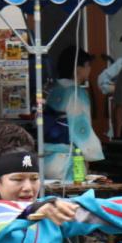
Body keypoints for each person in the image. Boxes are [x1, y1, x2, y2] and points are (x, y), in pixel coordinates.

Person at [45, 47, 103, 181]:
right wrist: (90, 153)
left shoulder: (51, 90)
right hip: (67, 159)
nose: (89, 69)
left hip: (46, 156)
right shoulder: (76, 93)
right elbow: (81, 129)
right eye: (87, 65)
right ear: (78, 68)